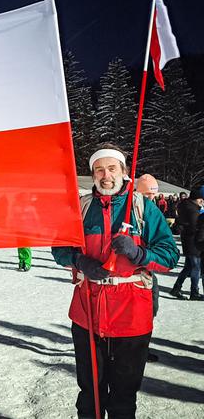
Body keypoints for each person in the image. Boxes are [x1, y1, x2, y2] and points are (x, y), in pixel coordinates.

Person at [51, 145, 178, 419]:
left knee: (123, 397)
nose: (105, 175)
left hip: (132, 317)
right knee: (90, 394)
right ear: (93, 174)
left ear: (123, 172)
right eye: (99, 169)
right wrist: (79, 261)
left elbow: (170, 255)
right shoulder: (82, 208)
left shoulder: (143, 208)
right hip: (88, 315)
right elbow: (59, 249)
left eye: (111, 168)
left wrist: (140, 253)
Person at [135, 173, 162, 362]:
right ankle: (136, 350)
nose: (151, 198)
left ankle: (142, 348)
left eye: (153, 194)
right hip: (135, 272)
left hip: (149, 269)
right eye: (147, 195)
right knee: (139, 314)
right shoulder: (136, 210)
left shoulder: (154, 212)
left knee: (151, 310)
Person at [170, 186, 204, 301]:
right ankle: (194, 292)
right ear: (198, 199)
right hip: (193, 243)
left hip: (188, 241)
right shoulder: (193, 210)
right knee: (196, 267)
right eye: (201, 199)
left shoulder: (186, 205)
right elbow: (196, 227)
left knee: (188, 267)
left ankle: (176, 288)